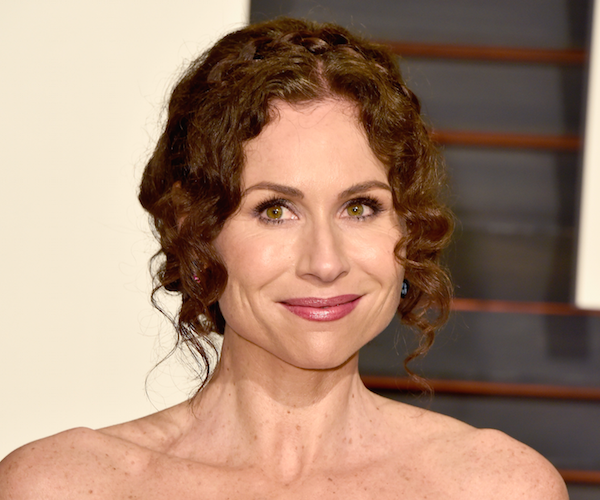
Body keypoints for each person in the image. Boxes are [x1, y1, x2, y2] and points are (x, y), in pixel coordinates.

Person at [0, 17, 568, 499]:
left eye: (360, 208)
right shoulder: (59, 486)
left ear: (407, 232)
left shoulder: (498, 487)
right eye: (275, 210)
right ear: (197, 235)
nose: (325, 262)